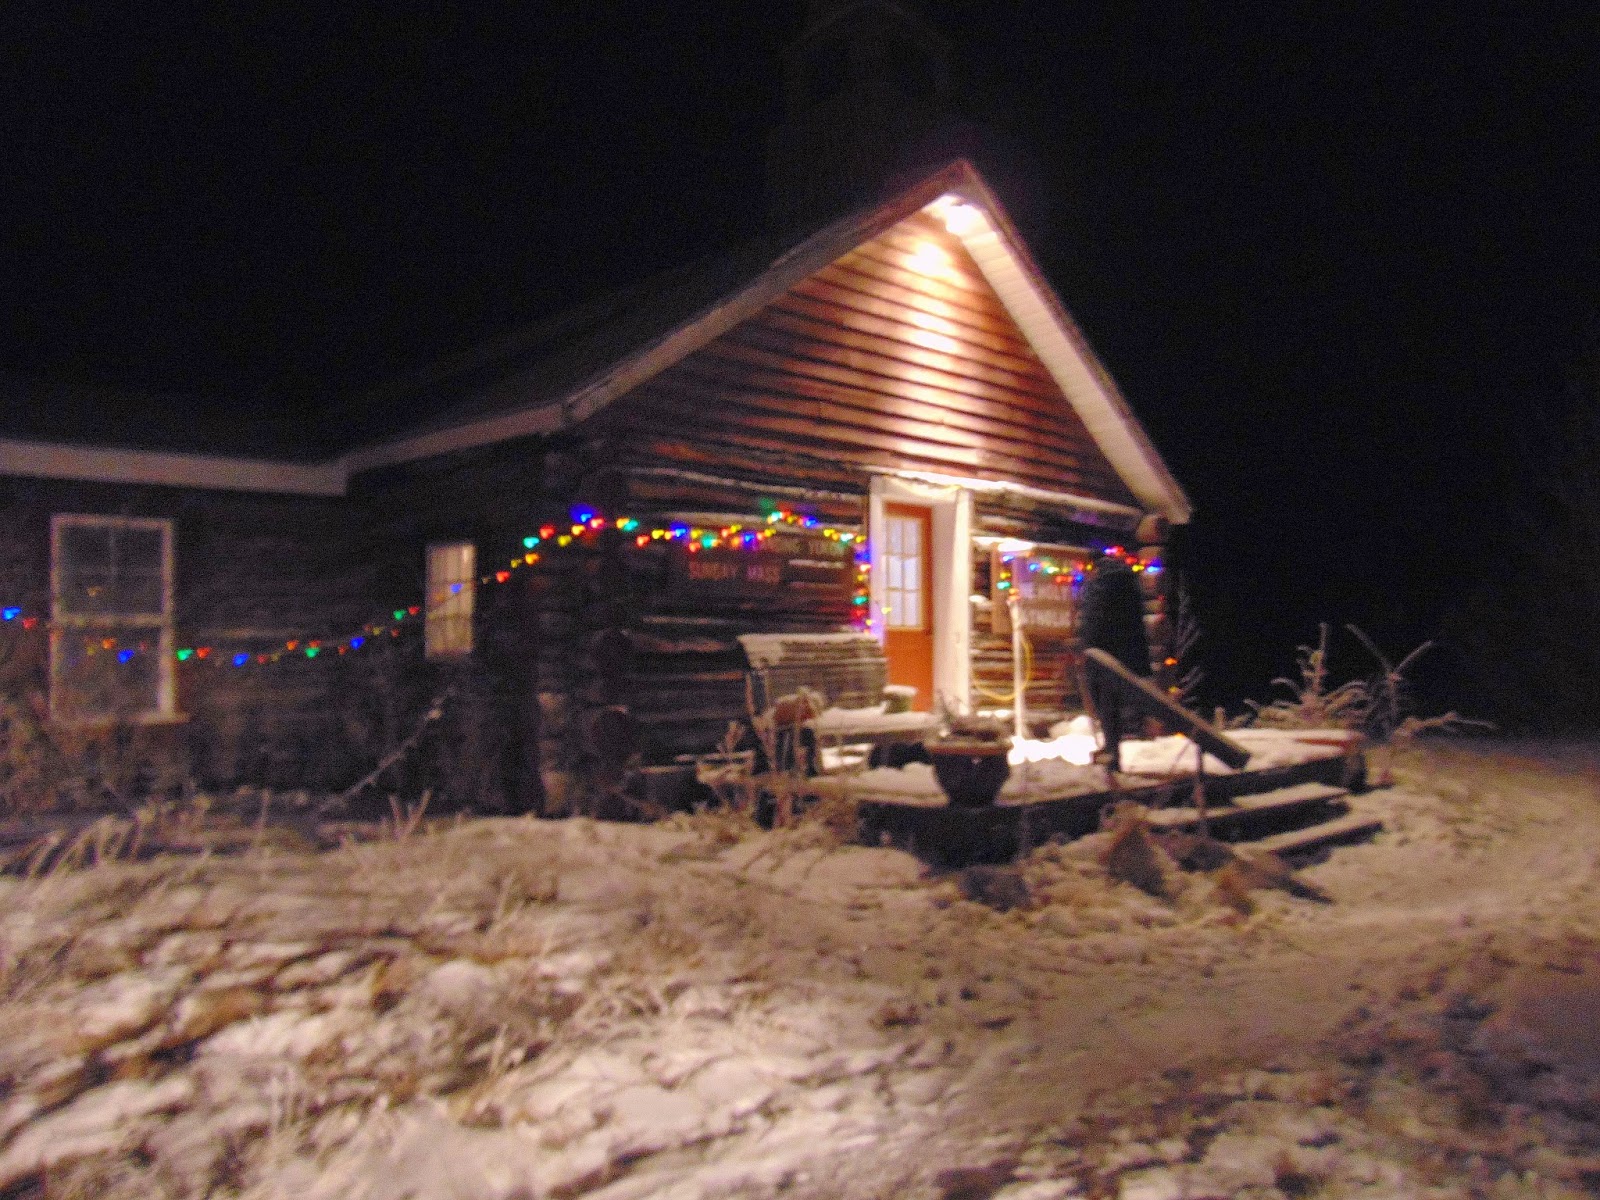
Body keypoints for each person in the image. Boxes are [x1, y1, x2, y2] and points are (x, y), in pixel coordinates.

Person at [1076, 552, 1152, 774]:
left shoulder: (1099, 585)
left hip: (1102, 654)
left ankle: (1112, 752)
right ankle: (1112, 747)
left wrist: (1084, 645)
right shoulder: (1128, 582)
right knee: (1114, 702)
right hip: (1127, 653)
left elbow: (1094, 620)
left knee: (1105, 704)